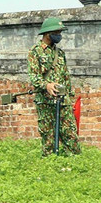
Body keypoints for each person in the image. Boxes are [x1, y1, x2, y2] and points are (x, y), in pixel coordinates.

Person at [27, 17, 81, 157]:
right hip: (45, 101)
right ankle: (50, 165)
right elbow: (34, 76)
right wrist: (47, 85)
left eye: (60, 32)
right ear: (47, 33)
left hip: (63, 101)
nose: (59, 35)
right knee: (49, 136)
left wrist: (69, 96)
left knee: (70, 133)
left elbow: (65, 76)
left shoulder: (60, 53)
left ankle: (75, 164)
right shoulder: (35, 52)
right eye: (56, 32)